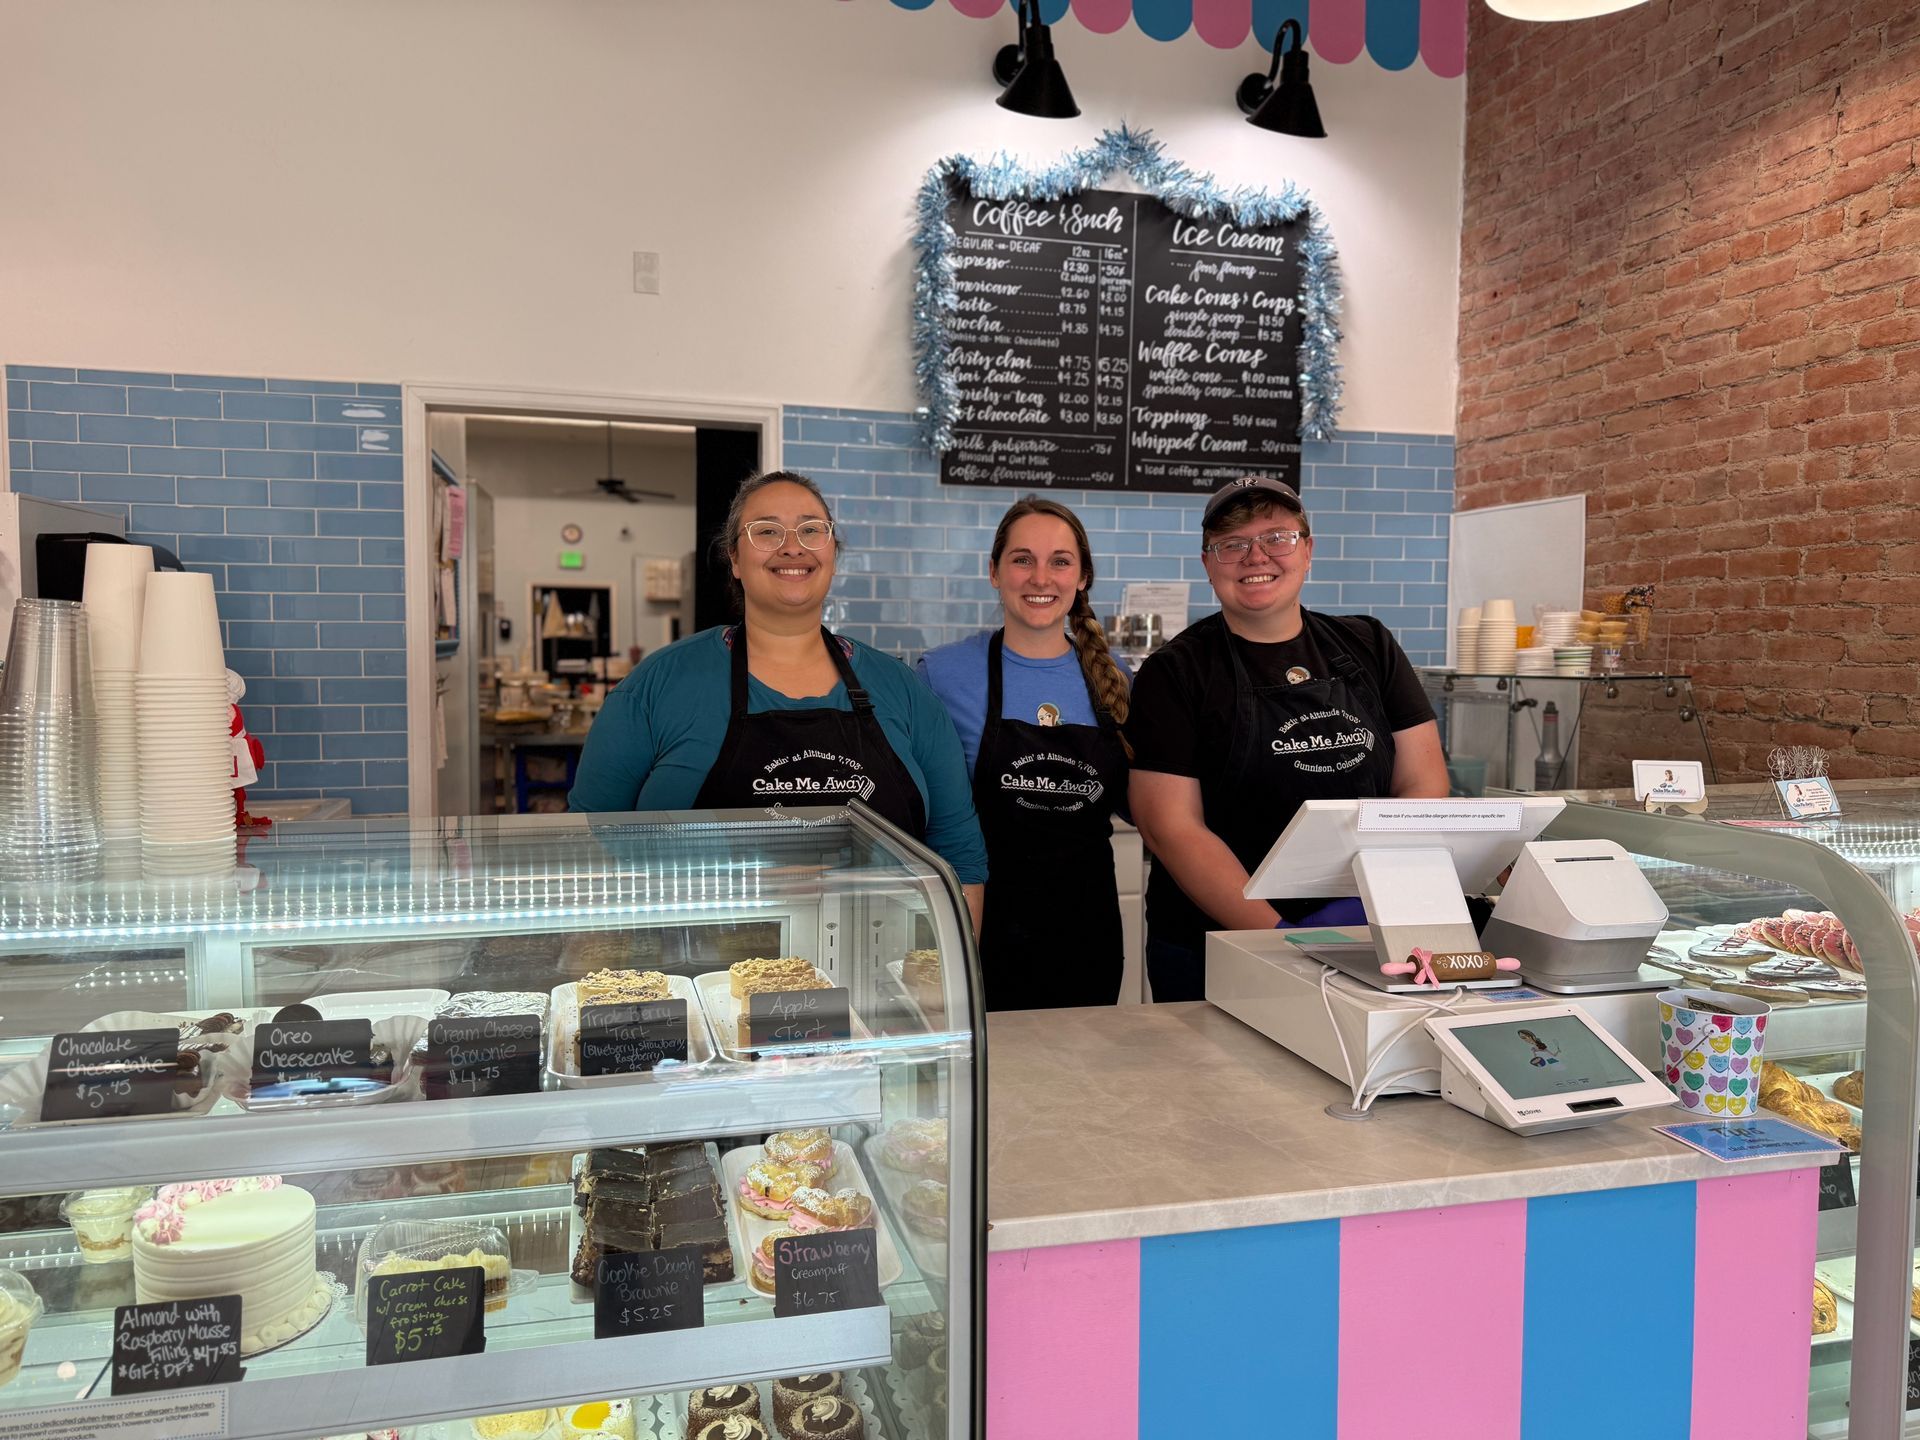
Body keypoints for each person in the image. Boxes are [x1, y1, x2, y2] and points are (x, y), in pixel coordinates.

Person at [570, 471, 987, 928]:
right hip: (697, 965)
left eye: (811, 529)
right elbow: (589, 843)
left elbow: (959, 855)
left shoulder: (902, 689)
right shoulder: (658, 685)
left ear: (832, 553)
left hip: (880, 965)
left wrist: (950, 968)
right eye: (767, 531)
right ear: (734, 558)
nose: (792, 547)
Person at [1127, 476, 1450, 1002]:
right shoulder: (1175, 672)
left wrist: (1368, 900)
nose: (1256, 556)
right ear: (1208, 563)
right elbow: (1171, 827)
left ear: (1308, 550)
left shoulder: (1369, 645)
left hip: (1365, 932)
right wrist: (1280, 937)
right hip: (1219, 946)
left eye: (1277, 537)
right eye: (1232, 544)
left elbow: (1424, 784)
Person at [917, 498, 1131, 1010]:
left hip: (1088, 931)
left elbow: (1138, 803)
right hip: (979, 925)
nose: (1040, 577)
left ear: (1082, 577)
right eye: (1022, 560)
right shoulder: (941, 675)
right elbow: (918, 815)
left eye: (1060, 561)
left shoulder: (1116, 677)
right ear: (994, 572)